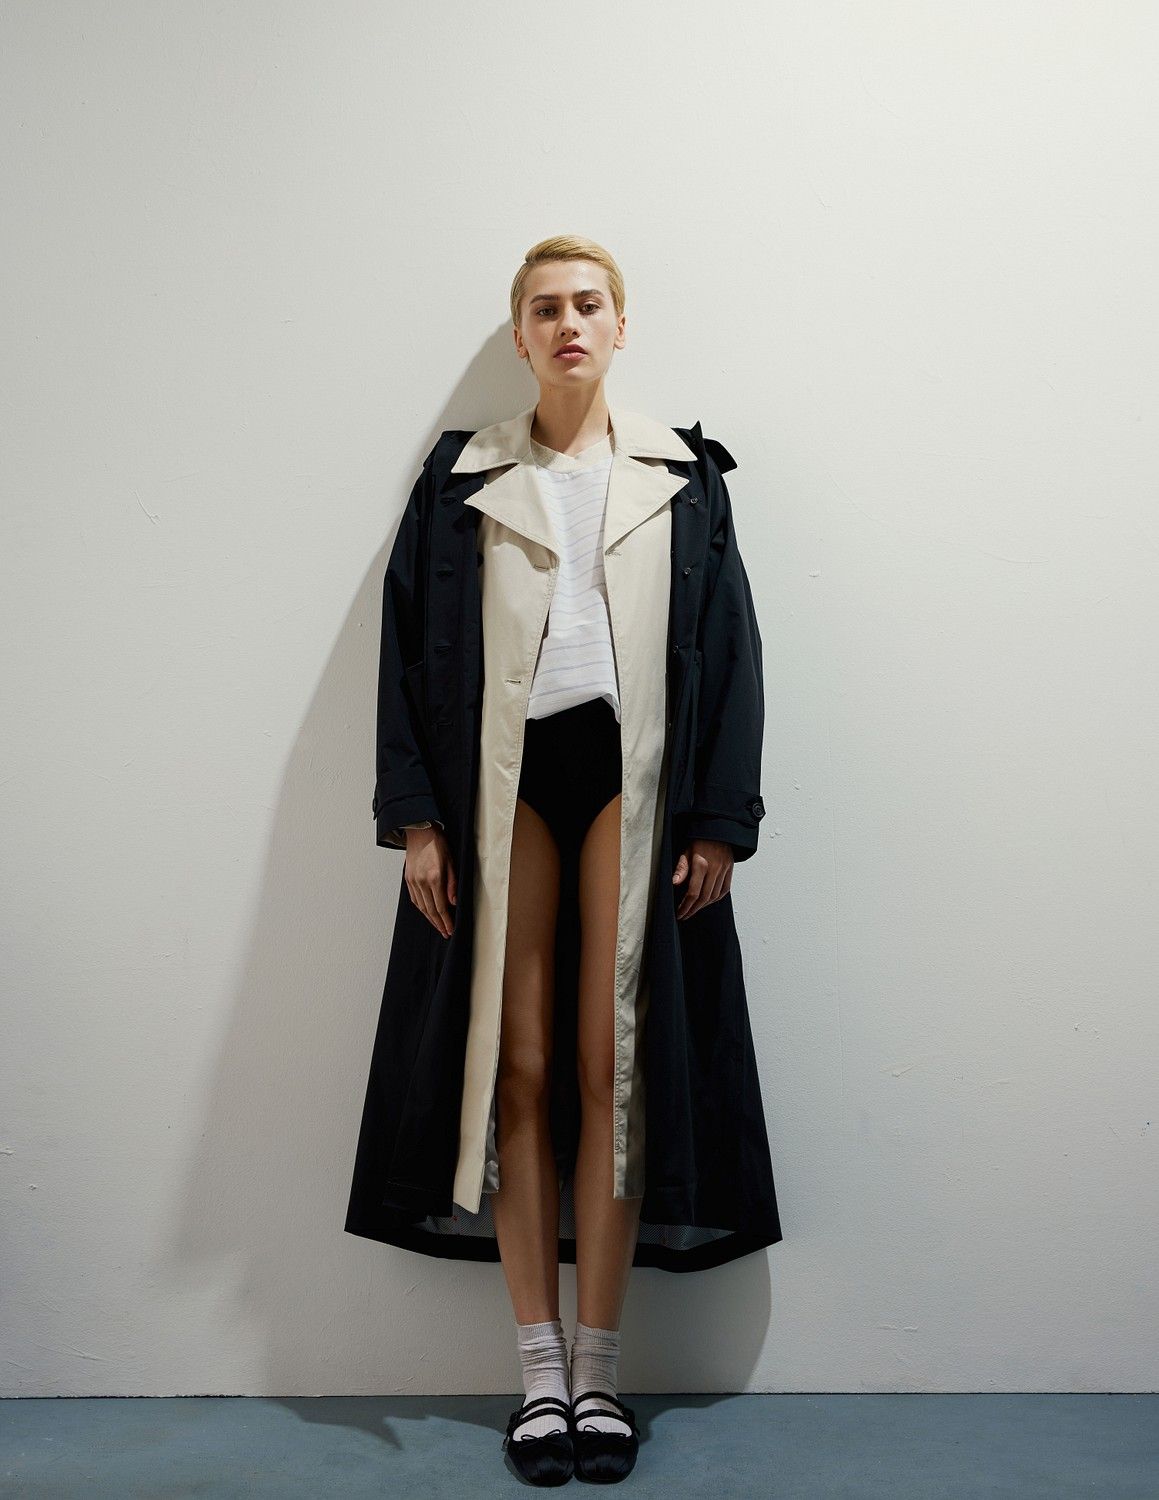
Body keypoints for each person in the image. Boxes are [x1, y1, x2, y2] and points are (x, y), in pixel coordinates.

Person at [349, 234, 780, 1485]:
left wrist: (719, 820)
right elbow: (404, 647)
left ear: (620, 325)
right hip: (503, 780)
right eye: (546, 308)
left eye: (589, 304)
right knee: (520, 1065)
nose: (569, 324)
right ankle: (538, 1375)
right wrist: (415, 817)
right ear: (520, 333)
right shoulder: (461, 478)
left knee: (612, 1062)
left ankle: (600, 1372)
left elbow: (732, 650)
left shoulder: (682, 477)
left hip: (630, 779)